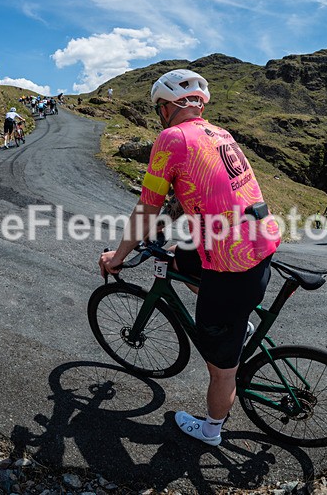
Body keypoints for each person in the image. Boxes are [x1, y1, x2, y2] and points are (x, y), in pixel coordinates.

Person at [98, 69, 280, 447]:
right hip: (259, 243)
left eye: (158, 109)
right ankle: (238, 323)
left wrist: (119, 255)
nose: (159, 116)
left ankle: (211, 430)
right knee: (180, 257)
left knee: (222, 370)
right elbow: (191, 190)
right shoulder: (219, 133)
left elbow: (147, 207)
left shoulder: (172, 137)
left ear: (166, 108)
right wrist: (165, 233)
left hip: (232, 268)